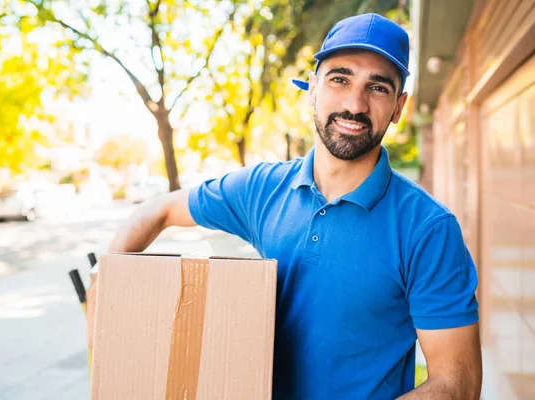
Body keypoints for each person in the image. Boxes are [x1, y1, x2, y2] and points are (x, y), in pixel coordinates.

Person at [88, 13, 482, 399]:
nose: (355, 104)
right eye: (339, 79)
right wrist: (109, 289)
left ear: (398, 107)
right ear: (312, 88)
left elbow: (457, 384)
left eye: (377, 88)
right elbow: (154, 212)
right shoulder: (262, 188)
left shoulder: (428, 229)